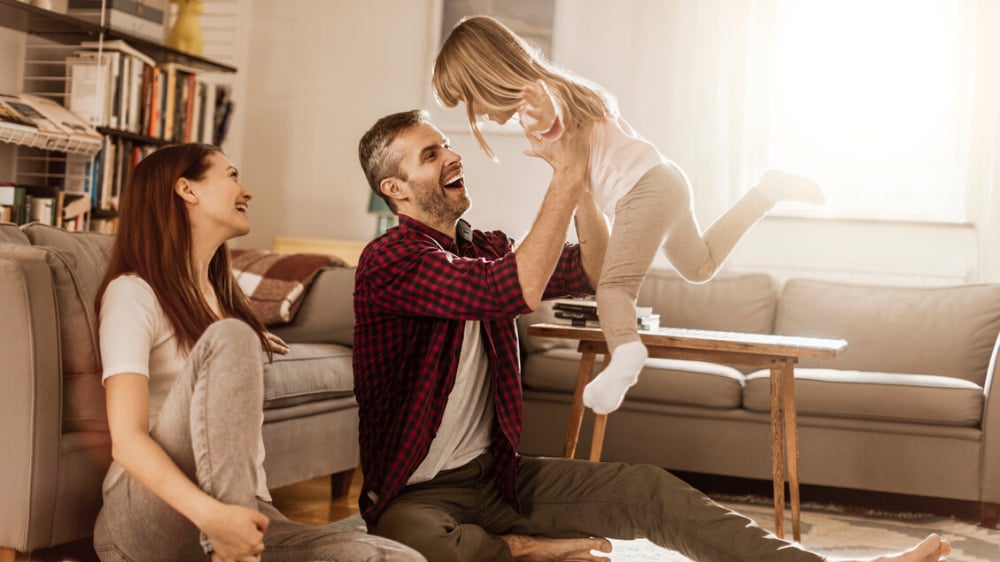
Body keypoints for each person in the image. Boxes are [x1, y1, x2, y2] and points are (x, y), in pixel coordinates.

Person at [353, 109, 950, 562]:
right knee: (413, 543)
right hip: (417, 496)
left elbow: (594, 269)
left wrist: (582, 180)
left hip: (494, 477)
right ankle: (524, 547)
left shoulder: (483, 247)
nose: (451, 155)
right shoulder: (389, 260)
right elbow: (504, 292)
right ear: (396, 189)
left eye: (447, 144)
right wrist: (562, 180)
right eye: (431, 155)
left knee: (646, 488)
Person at [432, 15, 828, 415]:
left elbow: (549, 113)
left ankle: (625, 355)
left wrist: (535, 111)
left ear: (487, 76)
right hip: (664, 179)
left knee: (614, 288)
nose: (476, 113)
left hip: (643, 189)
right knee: (700, 265)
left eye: (470, 98)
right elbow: (575, 162)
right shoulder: (557, 90)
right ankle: (766, 193)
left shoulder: (539, 97)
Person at [92, 143, 424, 562]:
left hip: (246, 514)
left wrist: (243, 344)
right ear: (186, 190)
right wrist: (216, 519)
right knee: (232, 336)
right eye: (231, 176)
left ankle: (233, 541)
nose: (246, 190)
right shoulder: (133, 292)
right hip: (147, 523)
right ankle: (228, 549)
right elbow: (126, 441)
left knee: (393, 558)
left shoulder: (223, 303)